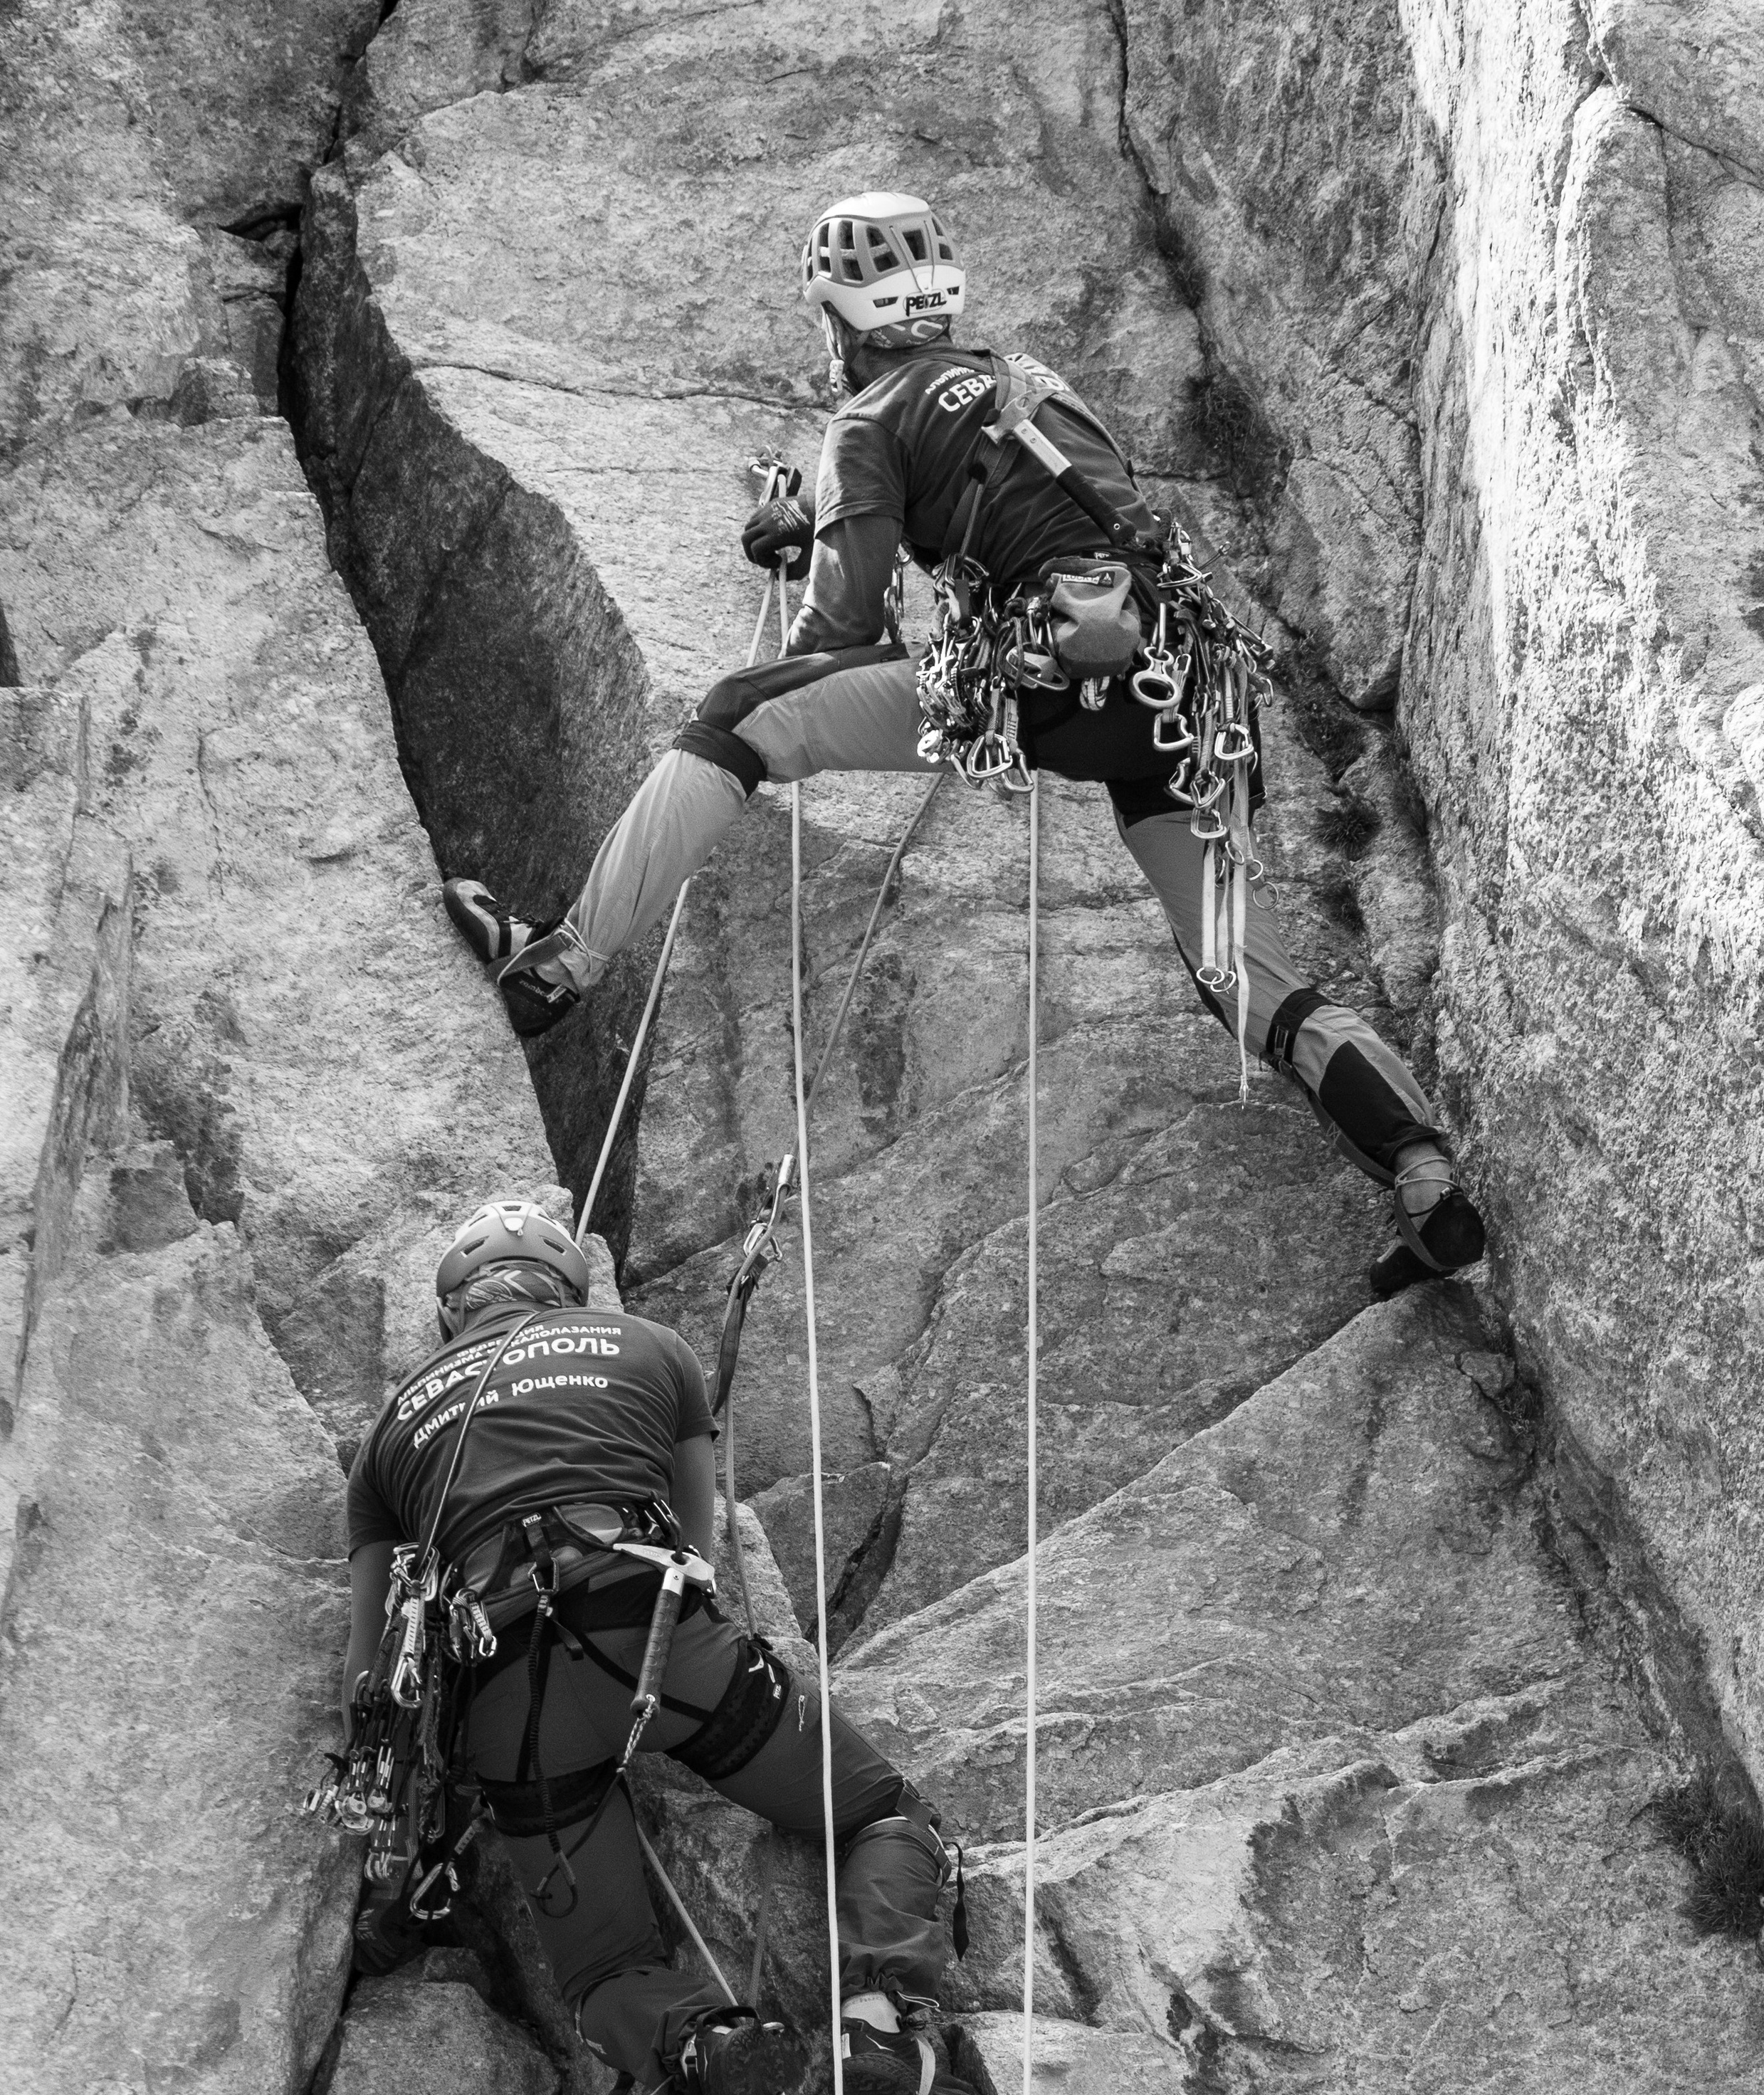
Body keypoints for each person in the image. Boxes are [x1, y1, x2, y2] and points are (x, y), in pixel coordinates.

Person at [443, 194, 1484, 1302]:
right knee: (1250, 978)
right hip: (1182, 697)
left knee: (742, 713)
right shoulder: (1030, 380)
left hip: (1053, 691)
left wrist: (802, 538)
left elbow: (840, 636)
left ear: (843, 320)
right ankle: (1423, 1176)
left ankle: (558, 960)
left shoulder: (868, 421)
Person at [340, 1197, 983, 2095]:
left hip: (511, 1714)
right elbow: (700, 1545)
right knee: (876, 1813)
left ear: (452, 1314)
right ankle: (881, 2022)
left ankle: (715, 2053)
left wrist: (389, 1848)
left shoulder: (388, 1436)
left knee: (601, 1971)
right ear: (569, 1288)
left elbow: (370, 1676)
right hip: (660, 1648)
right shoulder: (651, 1347)